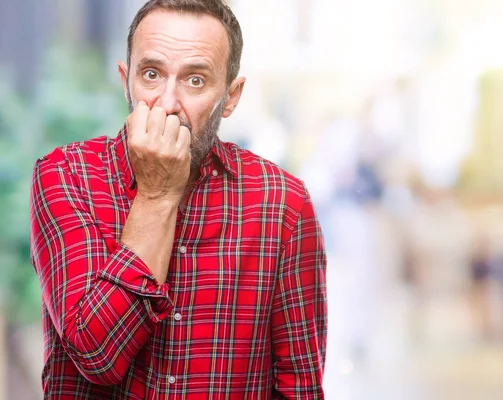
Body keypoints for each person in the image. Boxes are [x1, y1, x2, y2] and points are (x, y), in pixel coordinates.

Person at [29, 1, 327, 398]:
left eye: (195, 80)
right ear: (125, 80)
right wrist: (156, 195)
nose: (167, 103)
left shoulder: (283, 203)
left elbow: (300, 386)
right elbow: (96, 354)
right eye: (151, 75)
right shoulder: (65, 176)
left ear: (231, 96)